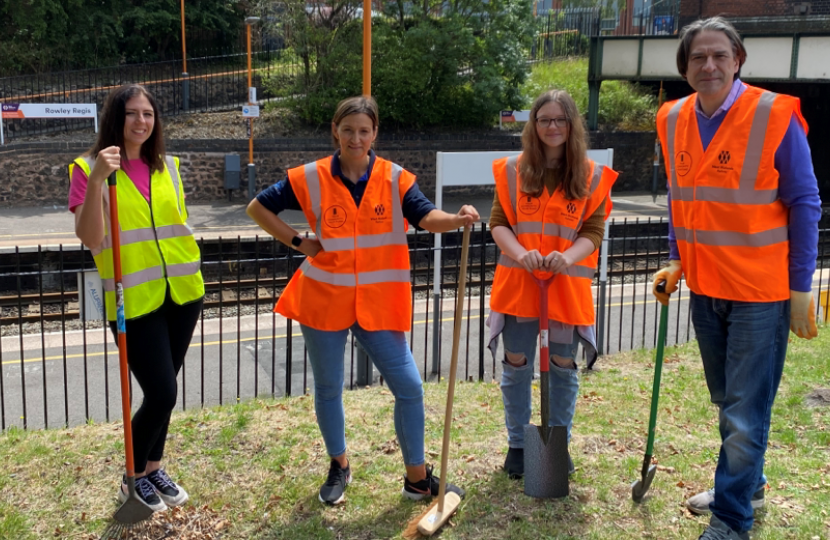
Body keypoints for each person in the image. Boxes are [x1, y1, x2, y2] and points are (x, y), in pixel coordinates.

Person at [247, 96, 479, 506]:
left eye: (364, 130)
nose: (356, 138)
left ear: (375, 134)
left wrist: (456, 220)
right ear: (335, 131)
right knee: (329, 388)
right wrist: (301, 243)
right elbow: (257, 207)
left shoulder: (395, 178)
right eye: (348, 129)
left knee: (409, 388)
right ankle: (339, 464)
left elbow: (426, 216)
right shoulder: (311, 177)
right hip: (323, 299)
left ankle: (417, 479)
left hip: (378, 304)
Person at [652, 17, 822, 540]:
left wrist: (799, 286)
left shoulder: (773, 115)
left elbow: (804, 201)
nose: (709, 65)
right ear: (685, 68)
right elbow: (684, 200)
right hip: (707, 289)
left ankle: (731, 519)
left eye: (719, 56)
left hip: (760, 294)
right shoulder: (672, 117)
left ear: (738, 59)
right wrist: (679, 258)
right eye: (698, 57)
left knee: (746, 413)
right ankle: (749, 483)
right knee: (729, 402)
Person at [69, 84, 204, 513]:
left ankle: (153, 468)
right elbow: (91, 238)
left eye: (149, 113)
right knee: (163, 393)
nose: (142, 121)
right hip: (134, 299)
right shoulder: (88, 168)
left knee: (165, 389)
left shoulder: (168, 165)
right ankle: (132, 476)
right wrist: (96, 183)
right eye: (132, 113)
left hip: (182, 292)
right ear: (115, 116)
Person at [486, 89, 618, 479]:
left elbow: (593, 230)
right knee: (517, 366)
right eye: (544, 119)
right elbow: (499, 223)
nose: (552, 127)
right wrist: (522, 252)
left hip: (564, 288)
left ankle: (555, 446)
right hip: (519, 286)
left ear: (572, 125)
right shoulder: (513, 170)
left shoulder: (590, 176)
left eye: (561, 119)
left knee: (562, 367)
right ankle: (518, 446)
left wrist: (568, 257)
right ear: (534, 124)